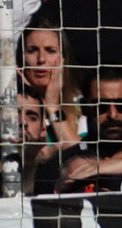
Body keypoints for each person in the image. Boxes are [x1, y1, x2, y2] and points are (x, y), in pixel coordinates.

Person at [19, 16, 83, 150]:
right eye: (32, 50)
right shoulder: (7, 102)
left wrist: (52, 106)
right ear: (22, 58)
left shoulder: (81, 105)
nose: (41, 59)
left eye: (50, 50)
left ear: (64, 59)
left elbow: (79, 156)